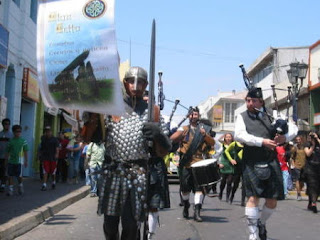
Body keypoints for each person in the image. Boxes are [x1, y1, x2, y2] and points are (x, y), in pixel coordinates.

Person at [97, 66, 171, 240]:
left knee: (131, 226)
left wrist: (158, 134)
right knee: (110, 225)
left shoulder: (152, 110)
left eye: (140, 82)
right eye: (131, 81)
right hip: (112, 171)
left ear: (146, 85)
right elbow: (93, 137)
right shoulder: (111, 108)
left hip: (137, 174)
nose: (135, 85)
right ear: (125, 83)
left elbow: (163, 151)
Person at [234, 87, 297, 240]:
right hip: (251, 161)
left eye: (253, 101)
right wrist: (261, 142)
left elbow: (294, 127)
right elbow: (239, 135)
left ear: (261, 101)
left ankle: (261, 223)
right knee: (252, 197)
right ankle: (253, 234)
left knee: (272, 201)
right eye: (248, 100)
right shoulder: (242, 116)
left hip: (270, 160)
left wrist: (285, 138)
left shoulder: (273, 114)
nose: (249, 103)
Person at [170, 107, 215, 222]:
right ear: (189, 116)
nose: (194, 116)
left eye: (196, 114)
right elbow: (172, 139)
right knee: (185, 189)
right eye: (192, 114)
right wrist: (177, 133)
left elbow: (212, 142)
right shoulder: (183, 129)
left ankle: (197, 212)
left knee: (198, 188)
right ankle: (186, 205)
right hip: (186, 164)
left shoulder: (204, 129)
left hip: (199, 163)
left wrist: (205, 135)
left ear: (198, 116)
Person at [5, 125, 28, 196]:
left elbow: (25, 151)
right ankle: (10, 190)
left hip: (19, 162)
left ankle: (20, 185)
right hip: (11, 161)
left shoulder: (23, 141)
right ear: (13, 132)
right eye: (17, 131)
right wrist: (6, 160)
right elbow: (7, 151)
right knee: (10, 175)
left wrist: (26, 161)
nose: (18, 133)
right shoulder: (10, 141)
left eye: (20, 131)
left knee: (19, 176)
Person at [303, 131, 320, 213]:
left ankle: (311, 202)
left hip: (318, 168)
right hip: (310, 168)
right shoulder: (307, 145)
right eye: (310, 136)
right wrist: (313, 145)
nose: (311, 138)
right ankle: (313, 203)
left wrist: (317, 139)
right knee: (312, 185)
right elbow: (308, 153)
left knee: (317, 186)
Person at [224, 140, 245, 205]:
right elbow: (226, 151)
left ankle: (243, 201)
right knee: (236, 183)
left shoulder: (248, 144)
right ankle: (231, 196)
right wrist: (231, 159)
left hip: (246, 165)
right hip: (237, 165)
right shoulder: (235, 143)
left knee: (245, 184)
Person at [39, 126, 59, 191]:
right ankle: (44, 184)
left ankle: (53, 182)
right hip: (45, 157)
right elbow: (41, 148)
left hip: (52, 157)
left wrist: (56, 154)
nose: (48, 133)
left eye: (49, 131)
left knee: (53, 172)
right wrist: (39, 155)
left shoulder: (55, 139)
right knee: (45, 170)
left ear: (51, 132)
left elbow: (57, 148)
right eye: (46, 131)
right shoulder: (43, 139)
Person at [218, 133, 235, 202]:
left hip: (231, 165)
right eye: (227, 137)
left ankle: (228, 196)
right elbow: (218, 141)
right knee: (223, 182)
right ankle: (221, 192)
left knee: (229, 182)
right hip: (224, 164)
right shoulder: (222, 145)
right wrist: (219, 163)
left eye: (229, 137)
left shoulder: (234, 145)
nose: (228, 138)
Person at [291, 135, 307, 201]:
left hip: (304, 166)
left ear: (301, 140)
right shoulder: (294, 148)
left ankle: (299, 190)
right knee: (297, 180)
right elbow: (292, 158)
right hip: (297, 166)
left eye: (299, 140)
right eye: (297, 140)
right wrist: (293, 165)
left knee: (302, 181)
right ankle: (299, 194)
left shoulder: (304, 148)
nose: (298, 141)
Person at [0, 118, 14, 192]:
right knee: (1, 170)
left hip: (8, 156)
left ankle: (4, 185)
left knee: (6, 171)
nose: (7, 125)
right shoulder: (0, 134)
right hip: (1, 155)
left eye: (8, 124)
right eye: (6, 124)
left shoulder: (11, 135)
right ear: (3, 125)